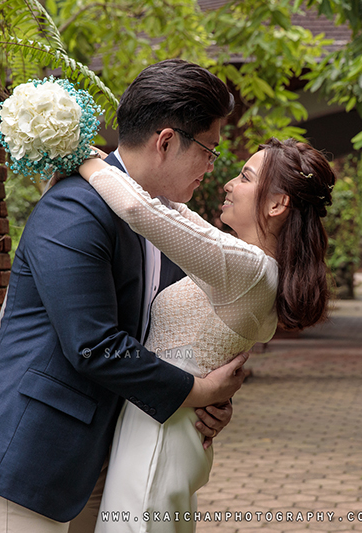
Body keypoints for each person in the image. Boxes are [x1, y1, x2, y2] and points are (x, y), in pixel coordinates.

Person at [0, 59, 247, 533]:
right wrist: (197, 392)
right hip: (31, 453)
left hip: (106, 453)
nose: (212, 167)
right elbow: (95, 344)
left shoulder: (165, 222)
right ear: (166, 141)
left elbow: (162, 333)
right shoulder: (75, 209)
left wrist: (208, 404)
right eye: (209, 149)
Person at [77, 136, 334, 533]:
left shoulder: (247, 270)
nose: (229, 183)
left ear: (276, 204)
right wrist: (107, 158)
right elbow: (174, 211)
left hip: (159, 434)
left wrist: (80, 160)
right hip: (167, 423)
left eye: (245, 177)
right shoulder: (250, 265)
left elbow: (136, 208)